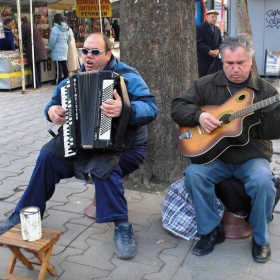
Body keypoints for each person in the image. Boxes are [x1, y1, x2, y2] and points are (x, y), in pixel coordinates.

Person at [0, 33, 157, 260]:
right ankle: (24, 214)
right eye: (85, 51)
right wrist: (51, 111)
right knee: (47, 155)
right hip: (82, 143)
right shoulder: (72, 80)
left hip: (126, 146)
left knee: (105, 166)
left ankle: (122, 226)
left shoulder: (127, 76)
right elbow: (53, 103)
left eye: (95, 52)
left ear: (108, 54)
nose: (88, 56)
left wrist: (126, 109)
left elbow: (151, 108)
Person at [171, 34, 280, 263]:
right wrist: (199, 116)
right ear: (222, 61)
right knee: (193, 174)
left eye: (240, 63)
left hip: (251, 156)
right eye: (229, 63)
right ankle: (209, 231)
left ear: (251, 61)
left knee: (263, 181)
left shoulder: (266, 92)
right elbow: (177, 107)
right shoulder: (206, 84)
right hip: (213, 156)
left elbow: (273, 131)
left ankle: (260, 239)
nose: (235, 69)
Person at [21, 16, 47, 88]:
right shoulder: (32, 25)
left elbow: (21, 39)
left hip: (33, 49)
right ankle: (39, 83)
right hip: (39, 48)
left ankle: (36, 84)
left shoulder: (24, 27)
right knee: (37, 66)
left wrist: (20, 46)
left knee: (33, 67)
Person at [196, 10, 222, 77]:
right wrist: (208, 51)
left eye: (216, 17)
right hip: (203, 59)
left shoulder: (217, 29)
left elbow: (220, 42)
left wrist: (218, 49)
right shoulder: (200, 28)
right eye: (212, 17)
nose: (214, 19)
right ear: (207, 17)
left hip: (214, 59)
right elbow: (198, 43)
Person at [49, 13, 71, 85]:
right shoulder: (67, 28)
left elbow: (52, 40)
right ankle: (66, 78)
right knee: (64, 64)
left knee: (58, 66)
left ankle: (57, 80)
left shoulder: (55, 29)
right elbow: (69, 39)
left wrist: (51, 48)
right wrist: (66, 45)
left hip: (57, 49)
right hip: (64, 48)